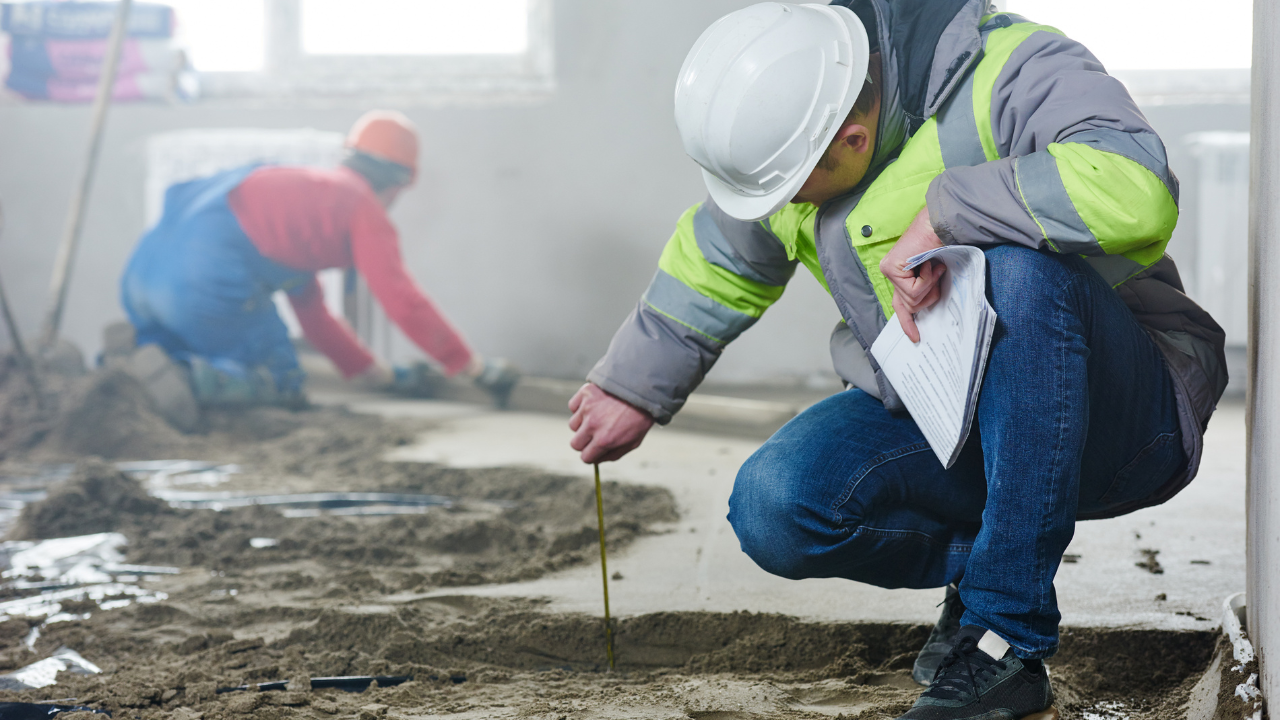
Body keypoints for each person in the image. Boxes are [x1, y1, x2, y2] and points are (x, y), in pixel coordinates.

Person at [568, 2, 1227, 719]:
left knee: (1016, 274)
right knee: (776, 505)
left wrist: (953, 210)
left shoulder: (1011, 69)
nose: (780, 206)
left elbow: (1135, 184)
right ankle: (990, 566)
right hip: (949, 412)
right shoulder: (797, 135)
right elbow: (719, 258)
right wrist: (631, 386)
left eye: (790, 189)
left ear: (852, 139)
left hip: (1123, 420)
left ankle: (1005, 635)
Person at [119, 110, 519, 413]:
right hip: (200, 278)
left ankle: (125, 366)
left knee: (170, 348)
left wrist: (378, 375)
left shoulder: (304, 197)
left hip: (142, 278)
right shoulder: (361, 206)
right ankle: (188, 382)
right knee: (282, 379)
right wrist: (472, 368)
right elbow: (403, 300)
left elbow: (313, 314)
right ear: (397, 184)